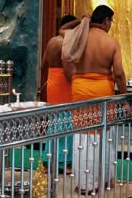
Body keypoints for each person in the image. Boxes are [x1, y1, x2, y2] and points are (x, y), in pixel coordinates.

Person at [67, 5, 127, 194]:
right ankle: (106, 180)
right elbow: (118, 73)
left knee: (83, 137)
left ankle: (84, 185)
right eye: (111, 22)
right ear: (107, 20)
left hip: (80, 90)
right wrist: (124, 97)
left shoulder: (79, 37)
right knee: (104, 136)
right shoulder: (111, 42)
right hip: (102, 93)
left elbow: (66, 56)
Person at [40, 14, 77, 171]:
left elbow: (42, 65)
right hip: (64, 81)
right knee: (66, 120)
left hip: (52, 81)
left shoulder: (51, 41)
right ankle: (64, 162)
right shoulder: (65, 42)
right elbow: (68, 70)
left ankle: (48, 159)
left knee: (55, 119)